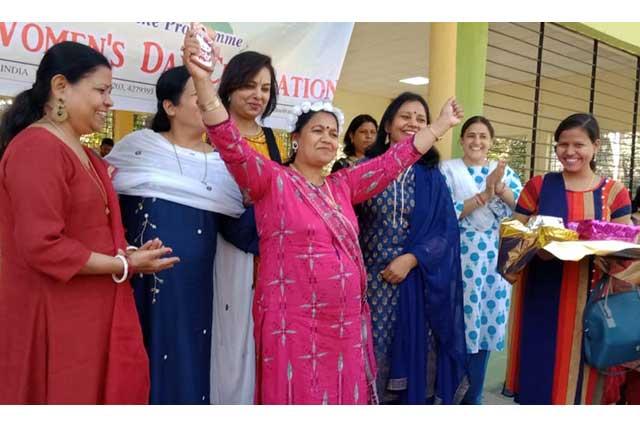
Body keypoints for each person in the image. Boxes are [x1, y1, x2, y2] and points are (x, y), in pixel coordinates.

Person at [182, 26, 464, 404]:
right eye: (317, 130)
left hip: (345, 320)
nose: (328, 138)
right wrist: (202, 81)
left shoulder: (344, 185)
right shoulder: (271, 180)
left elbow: (393, 162)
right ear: (296, 138)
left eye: (333, 132)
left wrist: (439, 126)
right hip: (290, 321)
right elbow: (228, 140)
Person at [0, 41, 179, 404]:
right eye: (101, 90)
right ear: (61, 87)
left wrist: (129, 252)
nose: (109, 101)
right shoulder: (36, 149)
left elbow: (89, 231)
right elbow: (42, 245)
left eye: (110, 90)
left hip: (88, 314)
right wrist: (124, 264)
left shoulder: (87, 154)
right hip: (54, 316)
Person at [105, 65, 252, 404]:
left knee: (189, 367)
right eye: (197, 96)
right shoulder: (138, 149)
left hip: (195, 292)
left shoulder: (223, 165)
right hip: (138, 285)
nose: (206, 102)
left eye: (210, 96)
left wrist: (273, 201)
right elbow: (103, 212)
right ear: (169, 107)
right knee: (140, 365)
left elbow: (240, 231)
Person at [505, 113, 632, 404]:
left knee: (585, 383)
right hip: (542, 293)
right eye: (562, 144)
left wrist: (600, 251)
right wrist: (537, 246)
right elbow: (512, 236)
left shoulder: (614, 192)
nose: (570, 152)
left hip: (595, 298)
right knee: (541, 371)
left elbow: (625, 245)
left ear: (596, 146)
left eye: (578, 144)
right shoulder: (538, 186)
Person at [358, 92, 468, 404]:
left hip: (414, 281)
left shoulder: (431, 175)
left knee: (414, 353)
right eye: (406, 116)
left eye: (421, 118)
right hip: (368, 284)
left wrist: (412, 258)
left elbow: (445, 231)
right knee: (371, 349)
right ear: (388, 125)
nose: (413, 123)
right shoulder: (365, 168)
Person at [211, 50, 289, 404]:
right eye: (248, 85)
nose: (258, 95)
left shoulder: (274, 138)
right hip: (217, 246)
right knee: (223, 333)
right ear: (229, 87)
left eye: (265, 88)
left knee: (259, 336)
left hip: (264, 253)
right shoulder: (208, 130)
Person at [440, 116, 522, 404]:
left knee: (486, 323)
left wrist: (499, 190)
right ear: (461, 140)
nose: (477, 141)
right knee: (458, 322)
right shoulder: (447, 171)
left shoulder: (504, 173)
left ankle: (474, 395)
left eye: (483, 136)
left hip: (492, 262)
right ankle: (448, 393)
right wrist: (484, 195)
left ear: (490, 142)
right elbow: (444, 214)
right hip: (458, 258)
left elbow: (523, 210)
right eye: (471, 135)